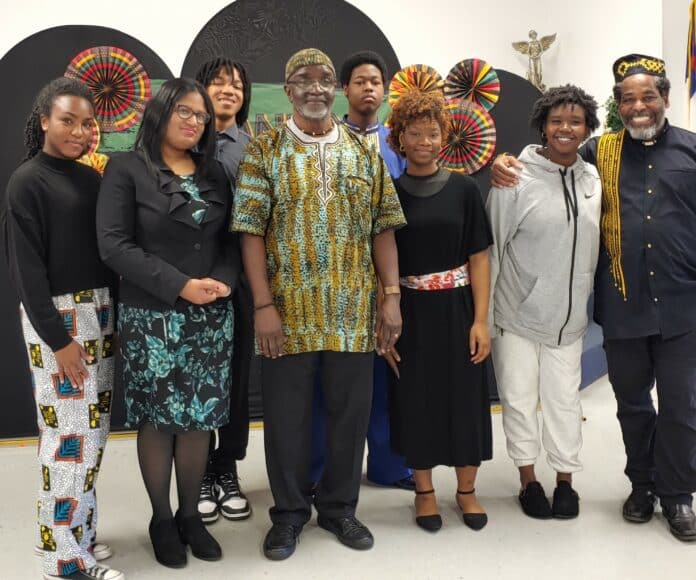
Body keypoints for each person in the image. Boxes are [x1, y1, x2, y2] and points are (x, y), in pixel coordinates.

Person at [490, 54, 696, 541]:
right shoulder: (597, 154)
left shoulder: (692, 152)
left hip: (683, 306)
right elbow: (548, 159)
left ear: (666, 99)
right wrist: (504, 161)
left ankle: (678, 495)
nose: (639, 106)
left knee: (682, 406)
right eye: (628, 99)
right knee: (632, 405)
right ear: (617, 106)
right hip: (622, 308)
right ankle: (642, 487)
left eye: (648, 96)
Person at [231, 48, 405, 560]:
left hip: (353, 312)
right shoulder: (265, 150)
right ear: (287, 90)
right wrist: (263, 305)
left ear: (335, 88)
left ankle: (339, 509)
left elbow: (383, 229)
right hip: (287, 314)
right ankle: (288, 514)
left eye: (324, 79)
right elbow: (250, 234)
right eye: (302, 79)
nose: (314, 88)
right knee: (286, 418)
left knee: (350, 415)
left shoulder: (362, 151)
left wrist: (389, 298)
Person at [97, 78, 240, 567]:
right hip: (153, 316)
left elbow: (231, 240)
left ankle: (190, 516)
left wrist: (221, 282)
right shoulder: (126, 170)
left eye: (201, 116)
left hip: (210, 316)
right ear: (160, 111)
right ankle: (161, 518)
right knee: (159, 421)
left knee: (199, 420)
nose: (193, 122)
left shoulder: (215, 172)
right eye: (184, 111)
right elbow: (114, 245)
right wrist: (180, 284)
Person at [2, 77, 124, 580]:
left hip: (100, 314)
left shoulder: (90, 179)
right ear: (44, 120)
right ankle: (62, 559)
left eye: (87, 122)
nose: (78, 130)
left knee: (90, 435)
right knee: (66, 438)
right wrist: (60, 340)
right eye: (67, 120)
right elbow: (27, 271)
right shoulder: (27, 181)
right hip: (61, 321)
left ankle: (79, 533)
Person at [487, 85, 601, 520]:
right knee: (518, 398)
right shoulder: (515, 177)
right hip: (516, 314)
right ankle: (528, 480)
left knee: (564, 401)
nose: (565, 129)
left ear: (588, 128)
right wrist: (488, 317)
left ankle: (566, 480)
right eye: (557, 121)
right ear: (543, 127)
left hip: (569, 319)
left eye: (575, 121)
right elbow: (494, 245)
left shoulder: (592, 179)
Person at [384, 90, 493, 532]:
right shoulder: (388, 193)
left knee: (465, 399)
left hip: (459, 308)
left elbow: (480, 258)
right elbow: (380, 260)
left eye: (433, 133)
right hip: (408, 312)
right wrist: (383, 322)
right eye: (415, 133)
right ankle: (424, 492)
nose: (425, 141)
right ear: (399, 138)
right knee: (417, 400)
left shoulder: (465, 188)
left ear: (443, 137)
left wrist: (481, 320)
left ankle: (466, 491)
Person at [309, 50, 413, 492]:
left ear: (385, 90)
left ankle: (390, 466)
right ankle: (315, 473)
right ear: (343, 90)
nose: (368, 88)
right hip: (338, 282)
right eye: (359, 81)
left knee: (385, 378)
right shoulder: (325, 141)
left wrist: (394, 290)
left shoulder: (400, 143)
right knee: (327, 387)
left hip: (393, 276)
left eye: (376, 81)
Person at [194, 57, 253, 524]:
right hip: (187, 278)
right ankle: (195, 472)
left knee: (233, 376)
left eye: (236, 85)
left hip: (241, 279)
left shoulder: (252, 146)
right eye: (218, 82)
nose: (228, 90)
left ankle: (225, 466)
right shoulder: (182, 141)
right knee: (195, 375)